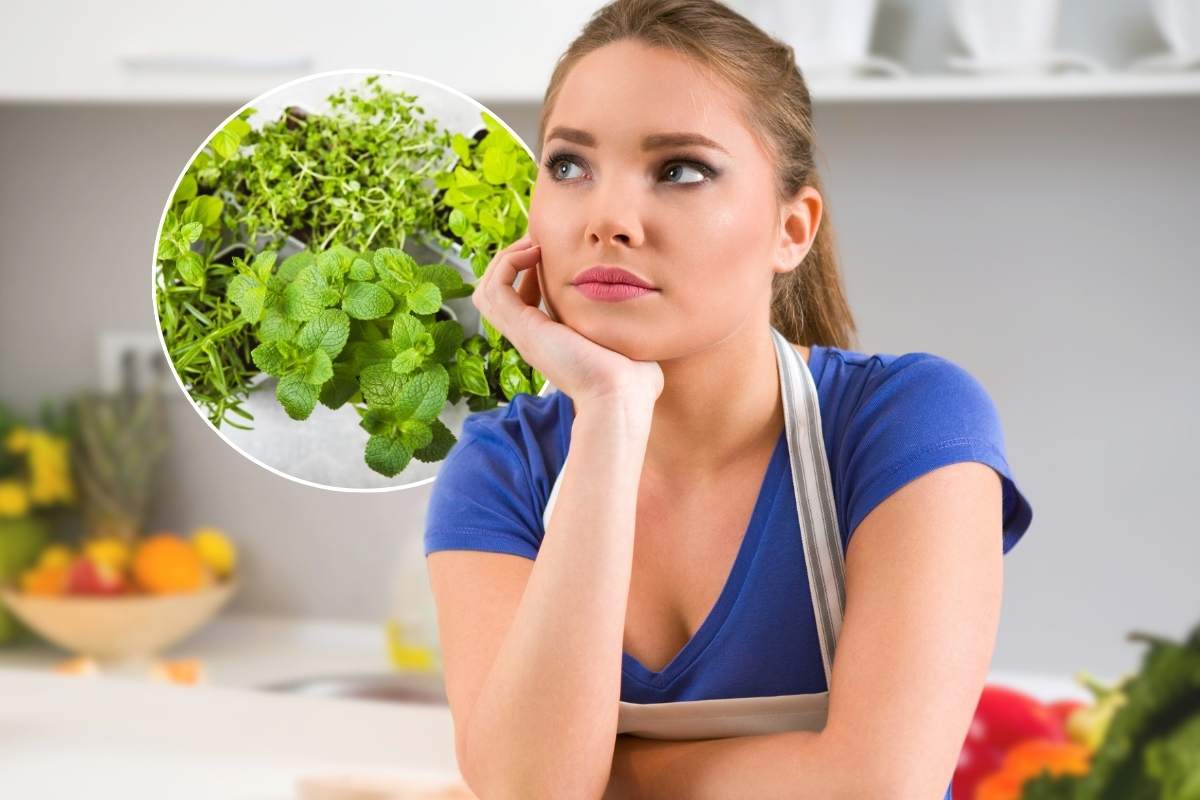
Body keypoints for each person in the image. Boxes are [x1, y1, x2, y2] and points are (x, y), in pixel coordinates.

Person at [423, 1, 1033, 797]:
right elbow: (531, 789)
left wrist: (610, 776)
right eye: (570, 166)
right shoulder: (504, 468)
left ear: (792, 228)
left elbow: (876, 786)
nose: (608, 218)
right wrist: (609, 413)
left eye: (679, 169)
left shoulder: (908, 422)